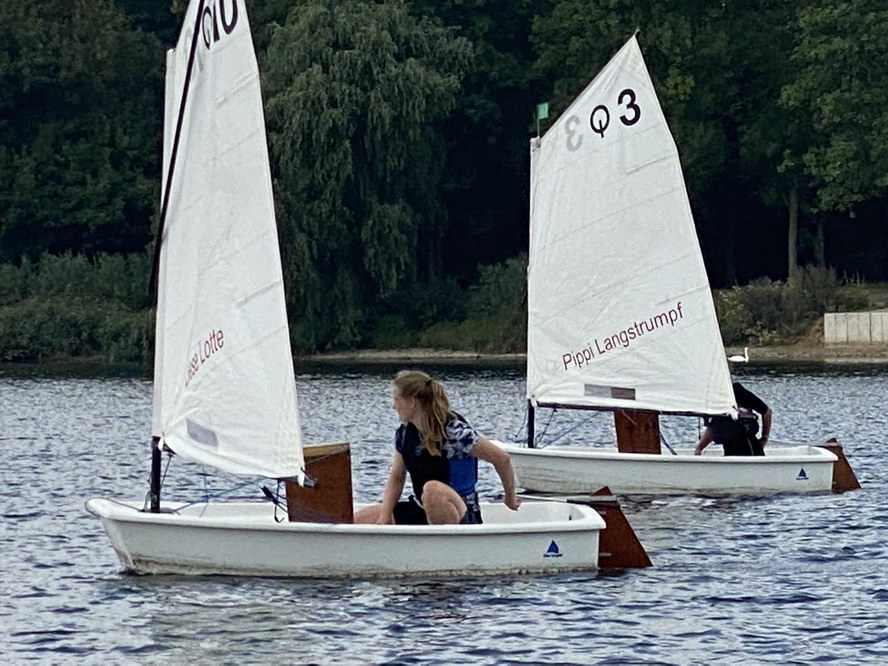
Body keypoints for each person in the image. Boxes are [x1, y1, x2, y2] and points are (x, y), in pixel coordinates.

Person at [354, 370, 520, 525]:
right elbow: (397, 477)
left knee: (432, 490)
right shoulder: (404, 434)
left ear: (411, 402)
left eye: (397, 400)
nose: (393, 406)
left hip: (462, 513)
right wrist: (384, 517)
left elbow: (501, 459)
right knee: (356, 519)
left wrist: (510, 497)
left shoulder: (454, 432)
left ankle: (444, 543)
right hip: (422, 507)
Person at [694, 381, 772, 456]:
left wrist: (764, 437)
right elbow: (713, 428)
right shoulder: (714, 400)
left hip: (748, 447)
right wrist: (699, 448)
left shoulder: (737, 392)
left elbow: (767, 412)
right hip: (729, 447)